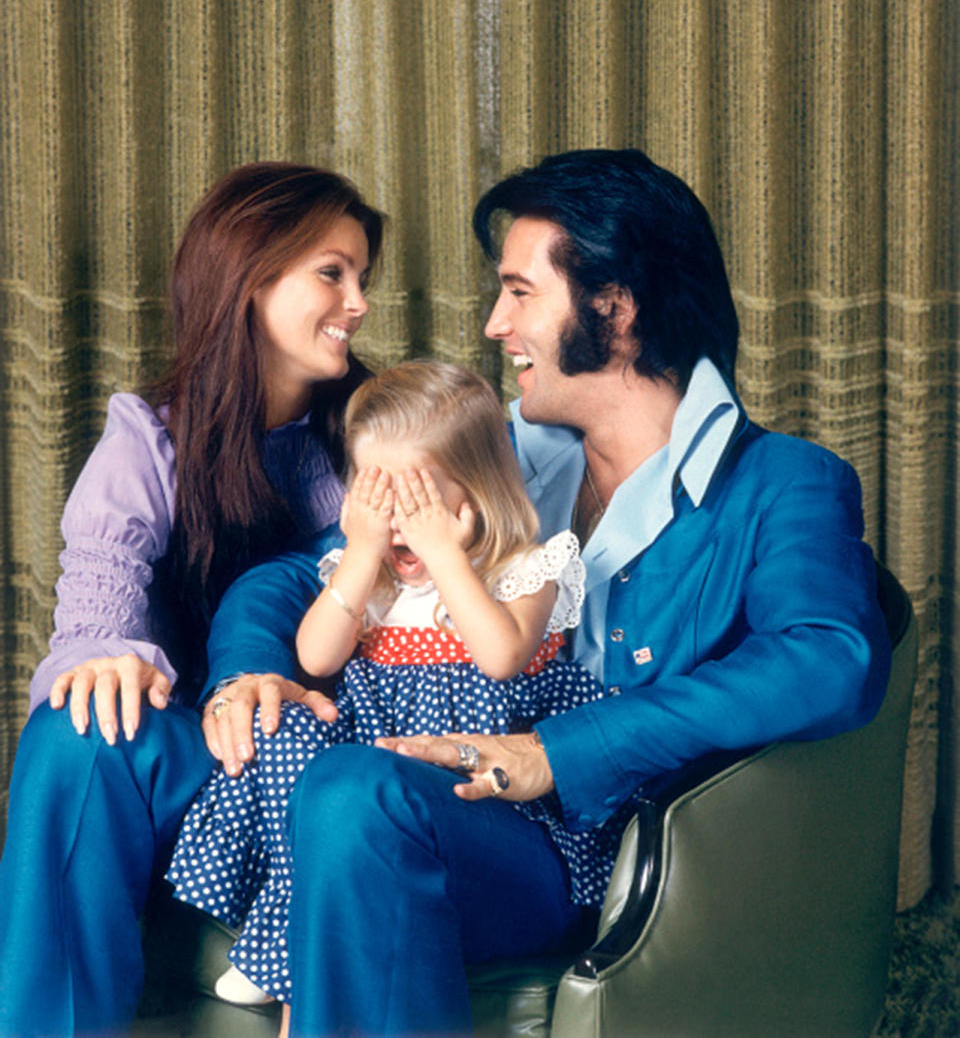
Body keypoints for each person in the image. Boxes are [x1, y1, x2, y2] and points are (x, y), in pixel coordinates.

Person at [173, 147, 892, 1038]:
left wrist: (561, 747)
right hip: (438, 805)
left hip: (586, 857)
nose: (491, 323)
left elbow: (832, 656)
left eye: (519, 292)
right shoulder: (498, 453)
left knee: (357, 792)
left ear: (615, 309)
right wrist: (248, 672)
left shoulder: (782, 481)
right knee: (336, 782)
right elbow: (296, 574)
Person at [0, 161, 385, 1037]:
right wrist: (108, 660)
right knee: (76, 729)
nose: (358, 302)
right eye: (333, 272)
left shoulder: (376, 427)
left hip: (332, 751)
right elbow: (92, 625)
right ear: (249, 279)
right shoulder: (147, 444)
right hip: (204, 757)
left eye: (362, 277)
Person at [166, 360, 604, 1017]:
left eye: (416, 503)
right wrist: (362, 553)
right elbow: (315, 653)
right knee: (288, 727)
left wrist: (448, 556)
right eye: (378, 499)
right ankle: (290, 925)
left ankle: (291, 945)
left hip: (476, 800)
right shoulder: (369, 573)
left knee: (361, 800)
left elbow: (500, 656)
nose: (397, 525)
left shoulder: (528, 568)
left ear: (477, 492)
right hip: (362, 775)